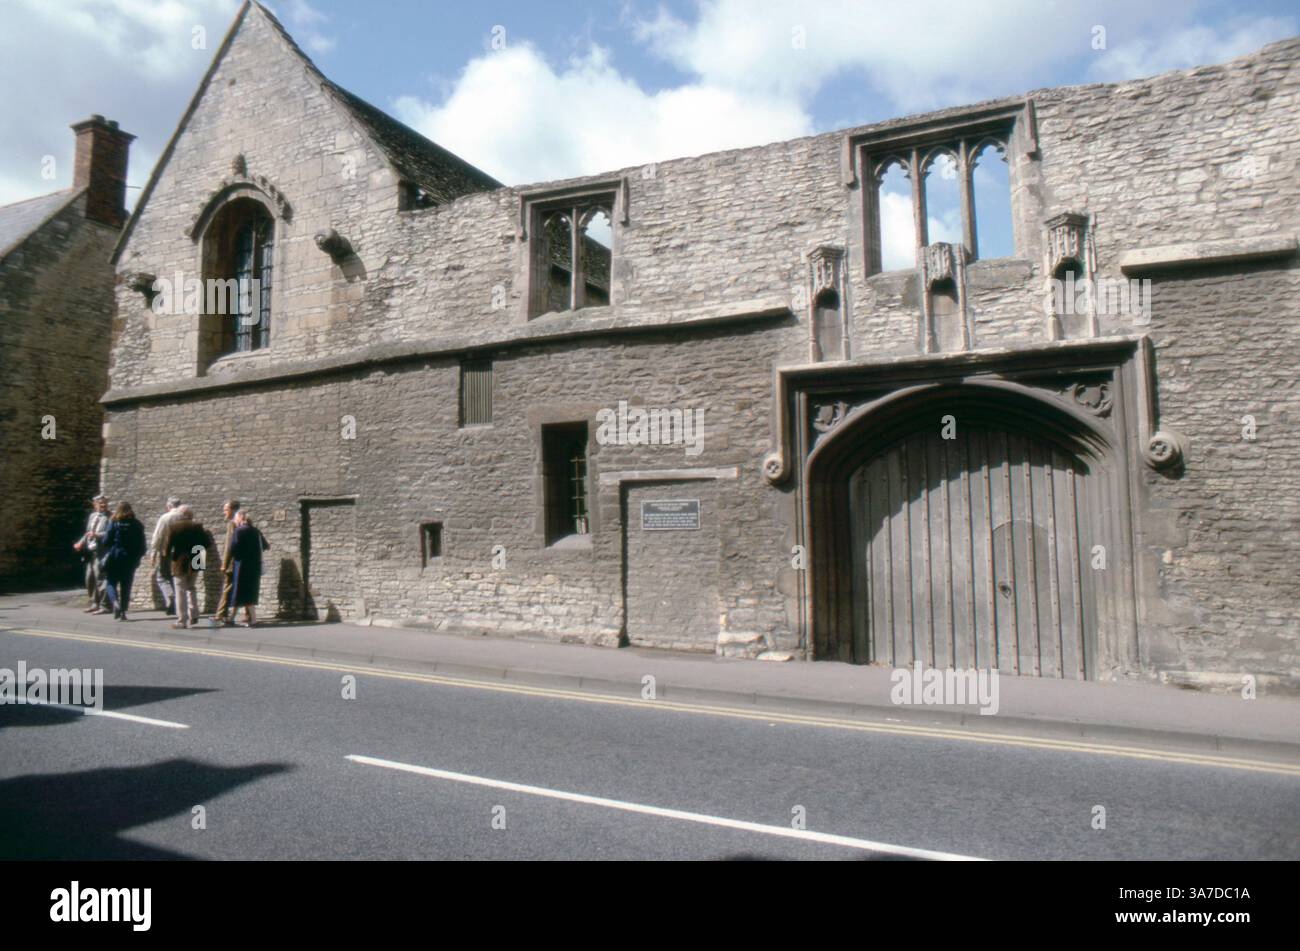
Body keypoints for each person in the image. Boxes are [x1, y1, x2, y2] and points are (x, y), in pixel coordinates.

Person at [166, 505, 213, 630]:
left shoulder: (174, 527)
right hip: (197, 558)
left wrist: (168, 557)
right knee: (191, 587)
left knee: (180, 591)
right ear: (191, 515)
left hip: (180, 561)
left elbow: (167, 547)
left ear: (180, 515)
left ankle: (182, 620)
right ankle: (194, 614)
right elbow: (207, 544)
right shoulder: (198, 527)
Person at [98, 502, 147, 621]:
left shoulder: (114, 522)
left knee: (111, 582)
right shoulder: (137, 524)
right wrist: (137, 557)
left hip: (115, 557)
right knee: (126, 585)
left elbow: (106, 541)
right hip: (130, 559)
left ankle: (115, 603)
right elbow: (142, 545)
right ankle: (124, 612)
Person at [229, 511, 270, 628]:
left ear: (241, 519)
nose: (235, 521)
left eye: (236, 519)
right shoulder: (256, 531)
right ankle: (234, 618)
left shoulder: (238, 531)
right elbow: (266, 546)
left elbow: (232, 548)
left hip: (241, 565)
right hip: (255, 565)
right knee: (249, 592)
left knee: (240, 591)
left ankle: (252, 620)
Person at [75, 495, 111, 614]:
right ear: (94, 505)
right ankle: (94, 603)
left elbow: (110, 533)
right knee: (89, 579)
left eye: (104, 503)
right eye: (100, 504)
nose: (103, 506)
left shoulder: (110, 517)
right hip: (90, 552)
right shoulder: (92, 516)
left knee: (101, 579)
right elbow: (88, 533)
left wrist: (97, 535)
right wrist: (80, 542)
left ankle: (105, 606)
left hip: (102, 552)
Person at [150, 496, 183, 616]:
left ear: (169, 506)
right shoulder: (186, 517)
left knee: (162, 576)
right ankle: (179, 603)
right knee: (178, 577)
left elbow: (157, 536)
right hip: (183, 552)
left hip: (167, 552)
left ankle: (170, 597)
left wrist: (153, 553)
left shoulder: (165, 517)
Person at [213, 500, 240, 626]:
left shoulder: (232, 524)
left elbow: (229, 546)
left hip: (232, 563)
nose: (224, 512)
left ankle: (220, 614)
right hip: (240, 561)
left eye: (226, 509)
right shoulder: (242, 522)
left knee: (227, 588)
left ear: (233, 510)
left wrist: (224, 563)